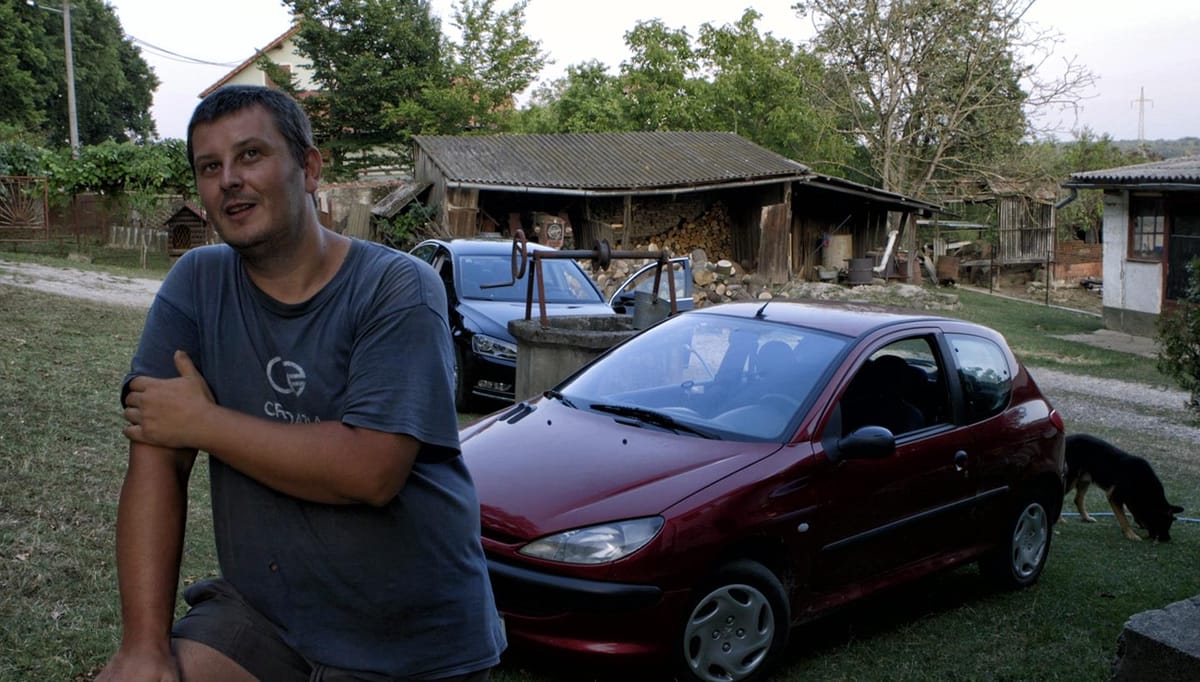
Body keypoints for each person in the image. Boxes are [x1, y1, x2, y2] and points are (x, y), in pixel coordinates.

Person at [98, 85, 505, 681]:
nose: (229, 180)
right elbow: (156, 459)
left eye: (251, 155)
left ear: (309, 168)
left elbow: (371, 472)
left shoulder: (397, 287)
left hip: (413, 639)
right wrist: (142, 646)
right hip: (266, 620)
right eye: (210, 166)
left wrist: (205, 423)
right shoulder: (196, 283)